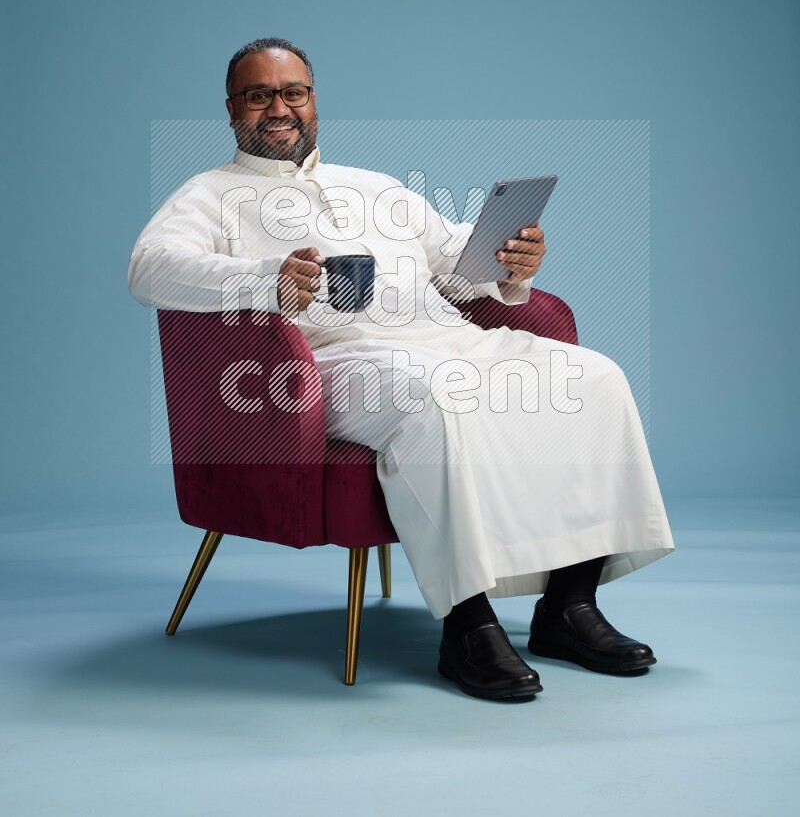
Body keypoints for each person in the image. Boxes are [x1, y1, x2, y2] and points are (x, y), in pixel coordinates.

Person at [129, 36, 674, 701]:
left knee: (593, 380)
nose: (279, 106)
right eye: (259, 94)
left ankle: (569, 605)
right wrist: (266, 279)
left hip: (442, 335)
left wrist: (509, 264)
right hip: (328, 363)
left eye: (292, 91)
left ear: (313, 101)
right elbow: (148, 269)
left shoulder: (375, 187)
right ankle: (467, 625)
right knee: (435, 401)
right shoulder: (209, 194)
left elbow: (457, 267)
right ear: (232, 109)